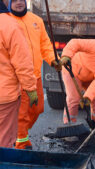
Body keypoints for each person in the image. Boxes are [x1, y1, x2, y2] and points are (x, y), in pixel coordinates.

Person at [3, 0, 61, 149]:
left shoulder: (36, 21)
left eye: (21, 0)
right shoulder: (9, 22)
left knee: (37, 109)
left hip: (36, 76)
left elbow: (45, 45)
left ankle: (19, 133)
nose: (19, 3)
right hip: (19, 79)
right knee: (21, 114)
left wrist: (54, 60)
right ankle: (21, 143)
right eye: (14, 1)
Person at [0, 0, 37, 148]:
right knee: (4, 142)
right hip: (4, 97)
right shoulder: (9, 25)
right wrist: (30, 88)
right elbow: (22, 62)